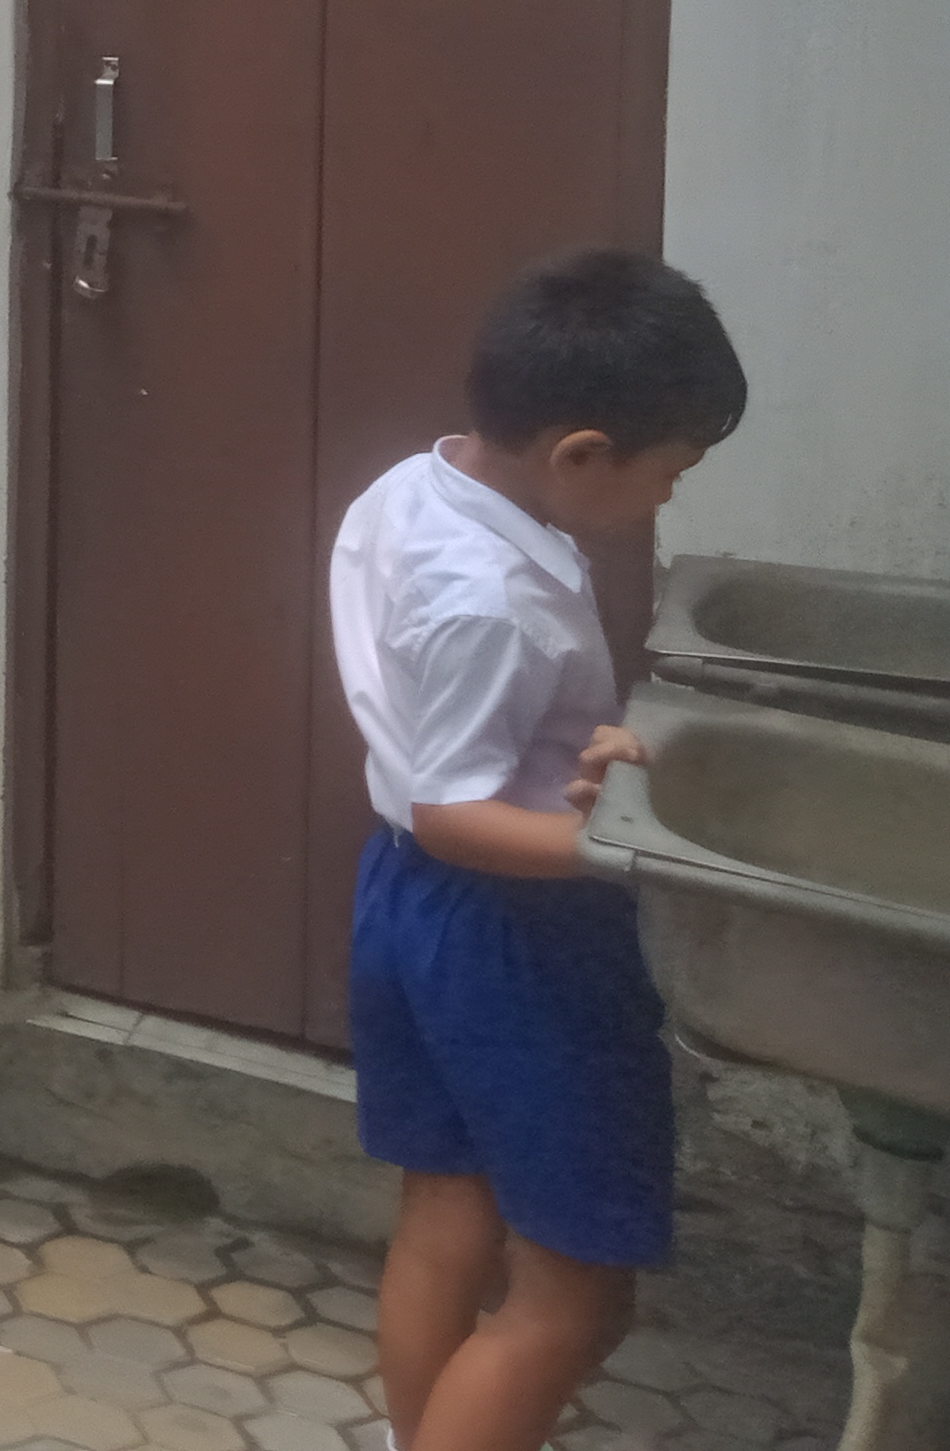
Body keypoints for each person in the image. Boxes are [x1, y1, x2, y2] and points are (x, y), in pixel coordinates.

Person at [329, 248, 748, 1451]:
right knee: (567, 1301)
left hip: (405, 906)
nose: (666, 497)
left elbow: (442, 759)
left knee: (444, 1218)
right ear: (578, 454)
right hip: (510, 938)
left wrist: (571, 771)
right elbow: (455, 812)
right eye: (670, 472)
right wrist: (630, 844)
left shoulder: (410, 488)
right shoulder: (489, 600)